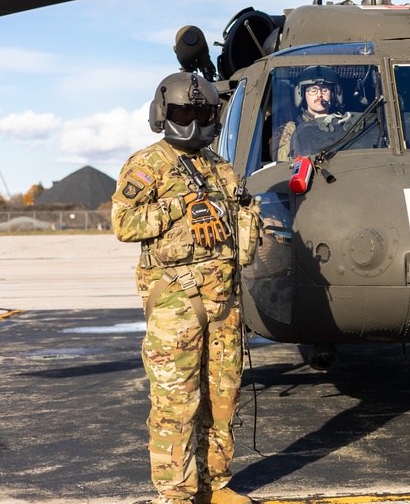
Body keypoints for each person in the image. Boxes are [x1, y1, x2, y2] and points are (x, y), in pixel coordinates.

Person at [112, 71, 256, 504]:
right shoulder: (148, 163)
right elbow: (123, 224)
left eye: (201, 112)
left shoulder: (219, 165)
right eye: (182, 112)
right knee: (176, 403)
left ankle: (217, 484)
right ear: (164, 114)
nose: (192, 121)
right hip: (177, 302)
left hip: (224, 302)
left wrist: (249, 216)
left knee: (223, 398)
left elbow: (241, 216)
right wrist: (177, 207)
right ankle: (175, 493)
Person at [274, 65, 356, 160]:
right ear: (302, 95)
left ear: (333, 95)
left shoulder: (345, 123)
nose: (319, 95)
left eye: (324, 90)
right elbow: (281, 161)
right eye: (313, 90)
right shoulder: (290, 130)